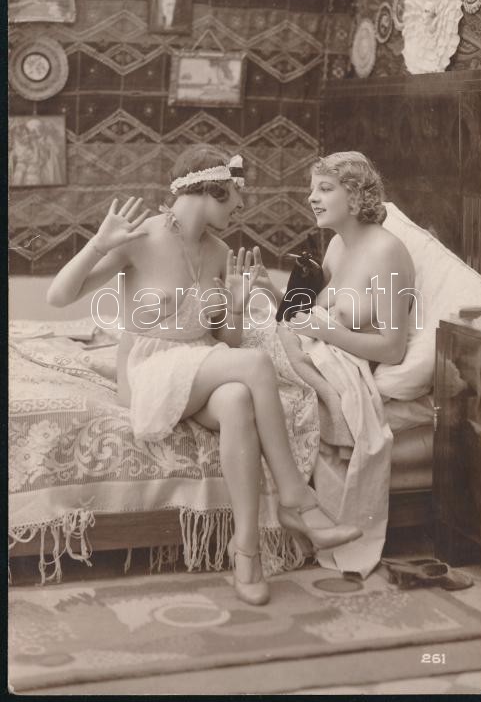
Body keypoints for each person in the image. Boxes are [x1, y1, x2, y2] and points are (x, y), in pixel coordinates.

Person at [46, 144, 361, 606]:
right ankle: (296, 498)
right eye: (236, 195)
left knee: (237, 399)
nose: (241, 205)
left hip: (197, 364)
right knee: (255, 365)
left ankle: (246, 552)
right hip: (148, 369)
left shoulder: (219, 252)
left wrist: (235, 306)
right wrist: (99, 244)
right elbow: (58, 297)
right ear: (211, 190)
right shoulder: (140, 237)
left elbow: (225, 342)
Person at [284, 151, 415, 363]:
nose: (311, 197)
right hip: (309, 352)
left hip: (339, 367)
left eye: (325, 188)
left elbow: (393, 351)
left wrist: (325, 332)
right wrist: (267, 288)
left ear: (354, 197)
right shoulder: (337, 244)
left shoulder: (386, 252)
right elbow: (308, 313)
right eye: (312, 189)